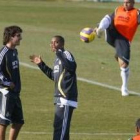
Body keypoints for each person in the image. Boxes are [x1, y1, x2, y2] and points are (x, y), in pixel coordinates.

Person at [30, 35, 78, 140]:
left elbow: (72, 67)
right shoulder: (57, 59)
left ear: (62, 44)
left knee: (60, 131)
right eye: (51, 42)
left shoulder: (65, 54)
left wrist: (59, 52)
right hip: (59, 98)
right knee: (59, 129)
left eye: (55, 42)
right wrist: (41, 64)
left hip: (66, 98)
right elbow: (53, 76)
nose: (52, 45)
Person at [94, 0, 140, 96]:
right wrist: (101, 28)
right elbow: (110, 19)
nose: (125, 4)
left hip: (123, 38)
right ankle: (100, 29)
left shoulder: (137, 13)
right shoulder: (118, 10)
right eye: (124, 2)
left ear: (133, 3)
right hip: (112, 33)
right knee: (108, 18)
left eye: (128, 2)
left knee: (123, 64)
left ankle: (124, 86)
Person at [0, 25, 24, 140]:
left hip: (15, 93)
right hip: (6, 92)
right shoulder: (3, 53)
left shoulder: (14, 51)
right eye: (18, 36)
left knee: (19, 121)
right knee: (3, 122)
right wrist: (7, 83)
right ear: (11, 37)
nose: (20, 38)